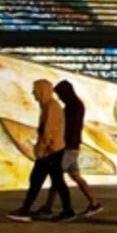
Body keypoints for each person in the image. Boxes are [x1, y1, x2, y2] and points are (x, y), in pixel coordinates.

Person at [31, 81, 102, 219]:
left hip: (67, 146)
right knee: (74, 176)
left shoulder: (71, 107)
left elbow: (66, 128)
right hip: (74, 146)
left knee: (57, 178)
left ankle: (51, 208)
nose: (60, 97)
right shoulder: (77, 105)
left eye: (60, 94)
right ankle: (94, 203)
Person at [7, 79, 75, 222]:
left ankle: (65, 210)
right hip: (51, 150)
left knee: (48, 180)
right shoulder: (49, 106)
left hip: (50, 151)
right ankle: (28, 209)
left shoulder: (51, 107)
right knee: (44, 180)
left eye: (35, 90)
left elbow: (48, 132)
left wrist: (41, 149)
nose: (33, 93)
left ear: (42, 90)